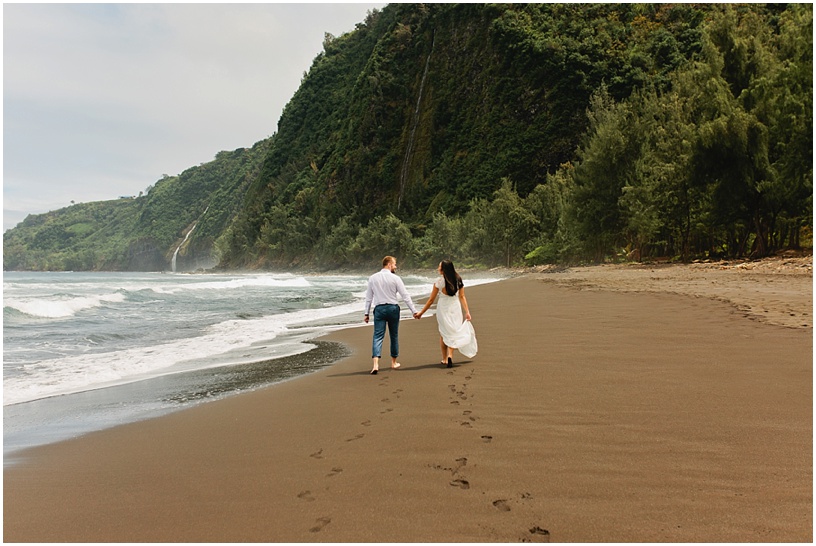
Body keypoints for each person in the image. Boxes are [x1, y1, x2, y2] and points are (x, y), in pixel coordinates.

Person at [364, 256, 420, 375]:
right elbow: (405, 295)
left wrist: (366, 313)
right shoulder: (395, 278)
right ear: (389, 264)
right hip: (393, 308)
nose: (395, 266)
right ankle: (394, 362)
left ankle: (375, 364)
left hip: (379, 309)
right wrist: (414, 311)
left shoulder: (373, 278)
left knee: (377, 336)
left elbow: (369, 298)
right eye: (394, 264)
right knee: (393, 335)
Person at [416, 260, 477, 368]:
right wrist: (467, 311)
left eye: (439, 267)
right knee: (453, 331)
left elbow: (431, 300)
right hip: (455, 308)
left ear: (444, 269)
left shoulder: (439, 282)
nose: (438, 269)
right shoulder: (458, 279)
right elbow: (462, 296)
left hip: (443, 309)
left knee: (444, 332)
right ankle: (450, 355)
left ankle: (444, 359)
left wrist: (421, 313)